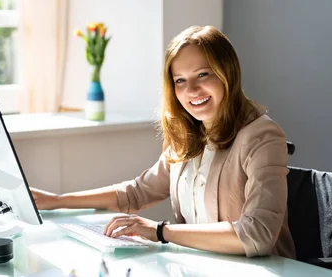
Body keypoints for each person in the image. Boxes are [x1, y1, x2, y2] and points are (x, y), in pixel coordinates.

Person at [30, 25, 296, 258]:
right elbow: (136, 193)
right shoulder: (189, 134)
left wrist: (160, 231)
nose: (191, 90)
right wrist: (56, 200)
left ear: (228, 73)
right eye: (180, 80)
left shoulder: (262, 136)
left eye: (203, 74)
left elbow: (258, 234)